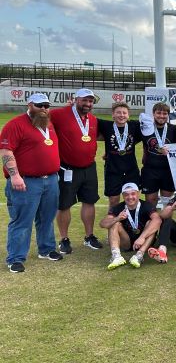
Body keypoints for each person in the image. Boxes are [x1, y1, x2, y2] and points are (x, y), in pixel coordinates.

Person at [1, 93, 63, 272]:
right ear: (29, 105)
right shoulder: (15, 124)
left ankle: (47, 249)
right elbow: (6, 151)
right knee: (22, 220)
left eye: (46, 105)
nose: (44, 108)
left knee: (46, 218)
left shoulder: (47, 123)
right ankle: (15, 258)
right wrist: (15, 175)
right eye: (39, 105)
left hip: (50, 180)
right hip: (26, 182)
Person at [50, 87, 102, 253]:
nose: (88, 103)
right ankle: (64, 239)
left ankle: (89, 236)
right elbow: (39, 120)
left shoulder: (92, 119)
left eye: (91, 101)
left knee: (89, 201)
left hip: (89, 167)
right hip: (67, 168)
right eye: (84, 100)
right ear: (75, 99)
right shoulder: (59, 114)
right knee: (64, 204)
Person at [99, 182, 161, 270]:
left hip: (144, 241)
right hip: (126, 242)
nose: (130, 197)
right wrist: (116, 218)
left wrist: (142, 237)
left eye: (133, 194)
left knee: (151, 223)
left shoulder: (146, 205)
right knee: (114, 223)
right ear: (123, 196)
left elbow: (158, 220)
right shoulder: (118, 208)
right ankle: (116, 256)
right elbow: (102, 223)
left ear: (138, 194)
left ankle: (139, 256)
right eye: (126, 195)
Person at [97, 102, 144, 207]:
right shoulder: (105, 125)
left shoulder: (135, 125)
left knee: (133, 198)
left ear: (128, 115)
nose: (121, 115)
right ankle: (114, 221)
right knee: (113, 200)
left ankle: (132, 221)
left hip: (131, 170)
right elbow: (86, 118)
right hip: (112, 170)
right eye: (118, 113)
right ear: (113, 115)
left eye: (124, 113)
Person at [140, 101, 175, 207]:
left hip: (168, 170)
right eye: (159, 113)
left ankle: (167, 223)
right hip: (150, 170)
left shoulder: (174, 129)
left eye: (165, 114)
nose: (162, 116)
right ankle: (152, 223)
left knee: (168, 202)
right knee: (151, 200)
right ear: (153, 114)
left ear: (168, 115)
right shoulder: (145, 129)